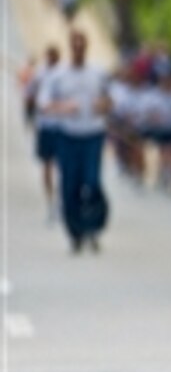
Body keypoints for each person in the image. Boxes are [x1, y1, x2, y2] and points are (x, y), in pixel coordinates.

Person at [37, 29, 110, 254]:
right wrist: (63, 107)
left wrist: (103, 105)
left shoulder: (98, 72)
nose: (78, 49)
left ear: (86, 46)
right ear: (70, 47)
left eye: (82, 44)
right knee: (70, 185)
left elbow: (110, 100)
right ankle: (75, 232)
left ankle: (93, 227)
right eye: (74, 45)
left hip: (93, 135)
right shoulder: (58, 76)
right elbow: (43, 103)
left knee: (92, 182)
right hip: (68, 136)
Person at [29, 45, 63, 222]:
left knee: (62, 167)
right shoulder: (40, 73)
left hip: (61, 127)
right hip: (45, 126)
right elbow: (32, 96)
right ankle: (51, 202)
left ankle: (61, 200)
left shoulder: (63, 73)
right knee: (47, 166)